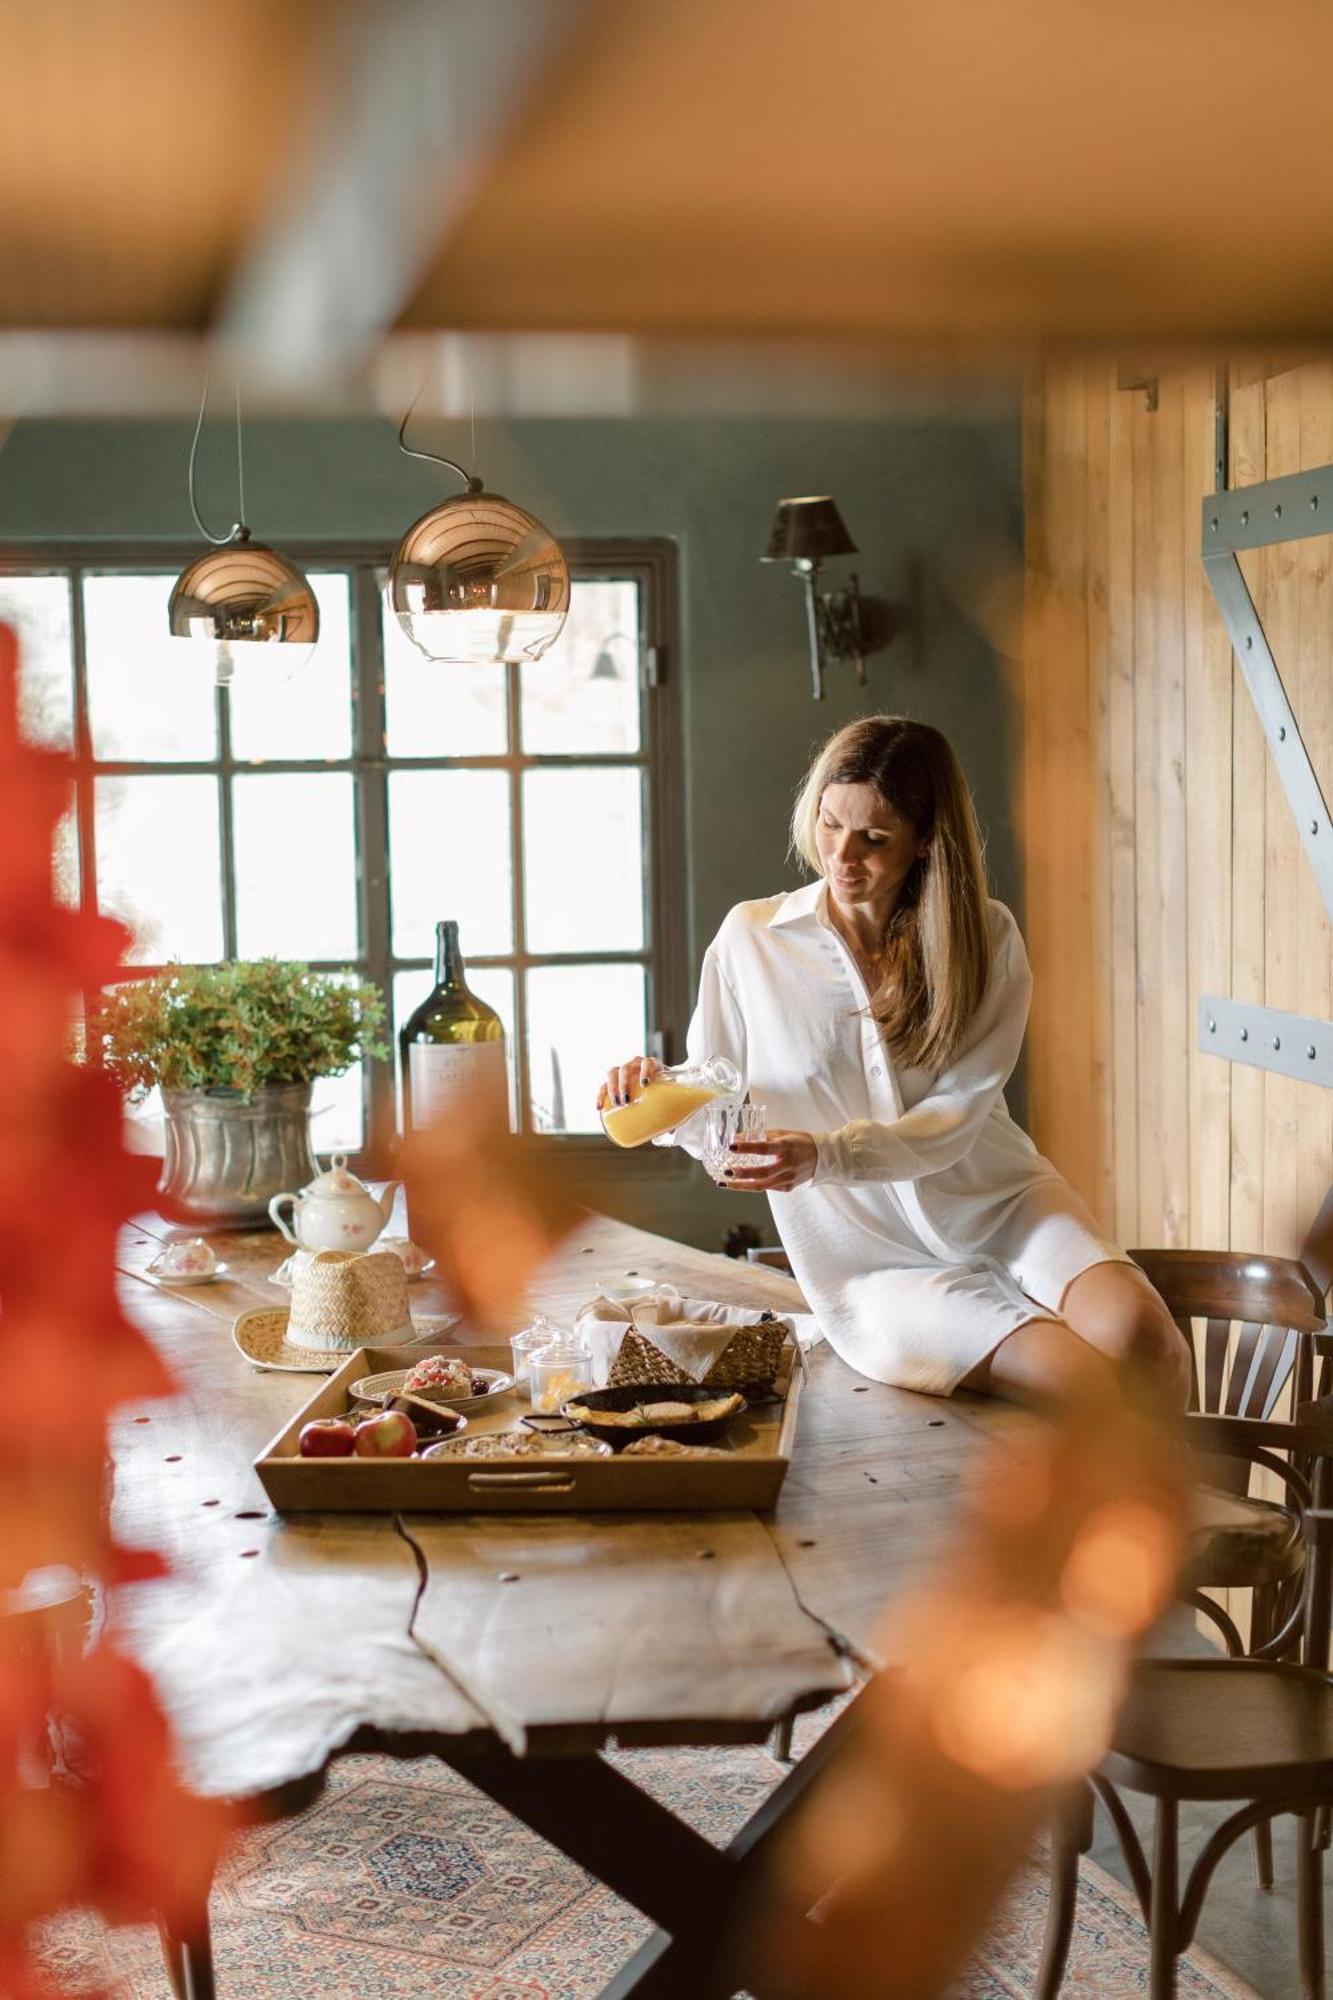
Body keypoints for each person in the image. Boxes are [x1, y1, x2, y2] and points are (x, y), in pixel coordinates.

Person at [600, 716, 1188, 1408]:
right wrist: (652, 1094)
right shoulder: (751, 941)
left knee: (1151, 1347)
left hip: (1001, 1203)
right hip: (871, 1263)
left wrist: (826, 1154)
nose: (841, 856)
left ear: (924, 843)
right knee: (1084, 1382)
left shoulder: (986, 938)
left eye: (873, 839)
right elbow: (717, 1101)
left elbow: (957, 1115)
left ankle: (1199, 1520)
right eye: (828, 825)